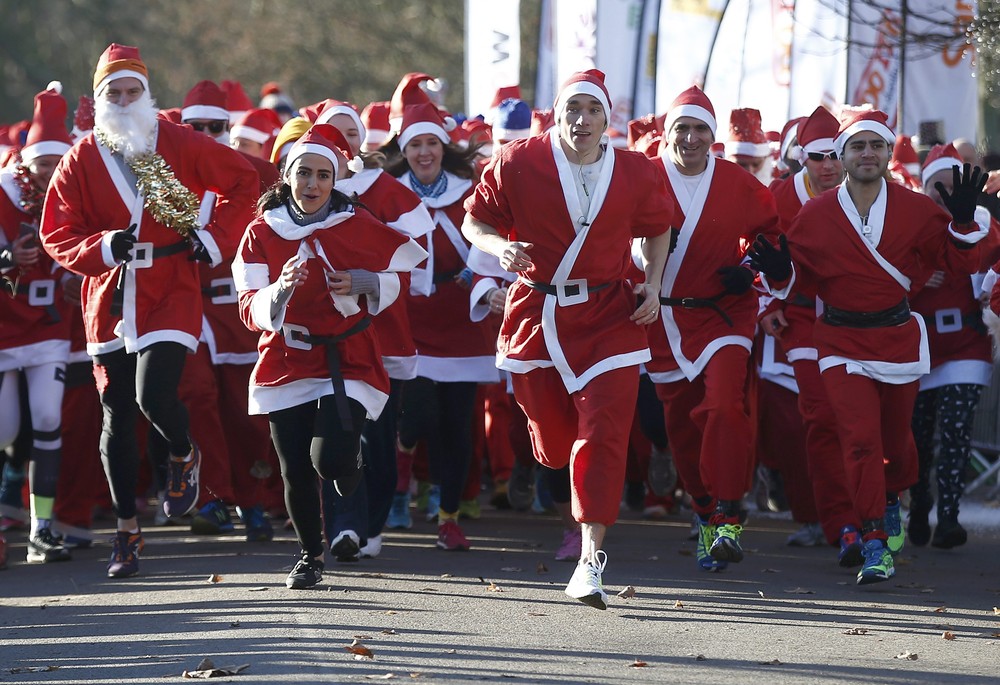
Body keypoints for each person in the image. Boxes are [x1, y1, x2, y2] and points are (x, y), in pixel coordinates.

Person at [40, 43, 259, 578]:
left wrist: (216, 237)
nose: (123, 98)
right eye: (112, 92)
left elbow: (242, 181)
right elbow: (55, 232)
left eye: (132, 90)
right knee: (116, 410)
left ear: (146, 93)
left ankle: (183, 453)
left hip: (171, 285)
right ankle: (125, 530)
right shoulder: (81, 157)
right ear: (99, 99)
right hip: (110, 292)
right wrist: (100, 248)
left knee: (154, 394)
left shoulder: (179, 141)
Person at [462, 69, 673, 609]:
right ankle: (544, 452)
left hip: (609, 314)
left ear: (608, 118)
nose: (582, 120)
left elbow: (657, 227)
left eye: (593, 111)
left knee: (602, 436)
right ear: (557, 113)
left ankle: (589, 560)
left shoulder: (635, 169)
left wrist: (651, 285)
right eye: (572, 109)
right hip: (538, 309)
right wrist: (497, 249)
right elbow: (474, 221)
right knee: (556, 444)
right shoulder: (518, 161)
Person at [750, 109, 988, 585]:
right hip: (838, 341)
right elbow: (794, 277)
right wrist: (778, 271)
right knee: (858, 441)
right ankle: (873, 538)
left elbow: (961, 262)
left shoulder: (918, 209)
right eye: (857, 146)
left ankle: (892, 494)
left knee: (897, 444)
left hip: (898, 338)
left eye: (876, 146)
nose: (867, 154)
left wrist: (964, 224)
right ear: (843, 155)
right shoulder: (814, 215)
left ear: (885, 154)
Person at [232, 124, 426, 588]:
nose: (314, 185)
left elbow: (402, 275)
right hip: (288, 356)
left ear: (335, 180)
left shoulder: (357, 223)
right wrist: (278, 290)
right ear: (287, 176)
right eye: (305, 174)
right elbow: (247, 306)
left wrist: (364, 281)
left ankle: (349, 463)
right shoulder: (261, 230)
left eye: (323, 175)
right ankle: (308, 555)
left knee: (330, 461)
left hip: (349, 356)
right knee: (294, 466)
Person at [645, 85, 779, 573]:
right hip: (660, 318)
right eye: (683, 127)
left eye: (702, 128)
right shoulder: (644, 176)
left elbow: (770, 237)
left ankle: (728, 511)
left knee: (724, 404)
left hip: (724, 314)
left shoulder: (739, 184)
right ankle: (704, 512)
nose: (692, 137)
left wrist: (752, 269)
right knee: (680, 426)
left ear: (714, 134)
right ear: (667, 133)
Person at [384, 101, 498, 552]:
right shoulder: (388, 191)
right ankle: (400, 485)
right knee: (417, 416)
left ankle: (448, 517)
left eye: (432, 142)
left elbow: (493, 236)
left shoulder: (470, 187)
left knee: (458, 424)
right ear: (404, 149)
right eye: (416, 145)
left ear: (443, 146)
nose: (425, 152)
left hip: (462, 314)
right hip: (411, 316)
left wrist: (485, 277)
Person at [762, 105, 863, 562]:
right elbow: (752, 252)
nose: (827, 167)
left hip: (861, 321)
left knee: (866, 423)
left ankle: (881, 507)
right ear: (801, 157)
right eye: (817, 157)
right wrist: (767, 304)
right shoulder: (779, 197)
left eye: (834, 156)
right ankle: (841, 524)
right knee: (820, 417)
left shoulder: (873, 191)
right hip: (801, 318)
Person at [909, 143, 999, 549]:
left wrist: (989, 286)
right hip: (918, 348)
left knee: (958, 427)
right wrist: (913, 278)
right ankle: (918, 503)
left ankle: (949, 516)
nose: (945, 196)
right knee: (918, 435)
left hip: (967, 345)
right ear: (923, 190)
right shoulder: (908, 226)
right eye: (936, 189)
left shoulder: (983, 221)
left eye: (952, 187)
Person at [0, 86, 74, 563]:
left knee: (48, 416)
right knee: (4, 429)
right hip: (5, 325)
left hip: (49, 325)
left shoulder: (74, 194)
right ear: (27, 161)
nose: (49, 172)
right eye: (42, 162)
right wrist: (7, 259)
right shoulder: (3, 194)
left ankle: (41, 529)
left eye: (56, 162)